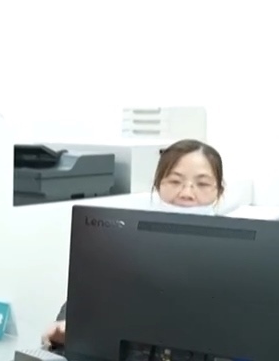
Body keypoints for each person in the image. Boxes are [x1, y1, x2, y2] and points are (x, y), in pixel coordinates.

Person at [41, 139, 226, 348]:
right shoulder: (123, 243)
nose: (187, 194)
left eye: (202, 184)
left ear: (219, 191)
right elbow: (85, 296)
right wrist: (66, 324)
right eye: (175, 182)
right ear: (158, 186)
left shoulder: (236, 254)